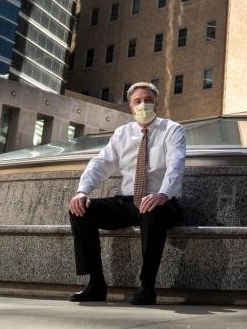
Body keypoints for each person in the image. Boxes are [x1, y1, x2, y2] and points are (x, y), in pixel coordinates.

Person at [67, 81, 185, 305]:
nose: (143, 104)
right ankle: (95, 284)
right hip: (128, 202)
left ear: (157, 104)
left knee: (153, 209)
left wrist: (162, 194)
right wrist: (82, 191)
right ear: (131, 107)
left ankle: (147, 287)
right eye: (137, 101)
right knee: (80, 211)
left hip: (163, 202)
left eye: (148, 100)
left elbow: (176, 165)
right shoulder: (122, 133)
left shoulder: (172, 130)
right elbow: (100, 164)